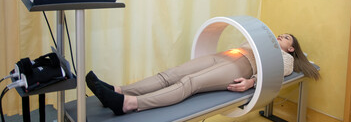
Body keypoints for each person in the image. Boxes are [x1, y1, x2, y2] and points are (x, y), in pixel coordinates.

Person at [86, 34, 320, 115]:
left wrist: (251, 82)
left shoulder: (287, 58)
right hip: (226, 54)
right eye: (280, 34)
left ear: (291, 48)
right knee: (171, 73)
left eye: (285, 38)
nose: (280, 36)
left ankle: (128, 104)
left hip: (242, 66)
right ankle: (117, 91)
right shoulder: (261, 40)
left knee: (189, 82)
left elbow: (277, 73)